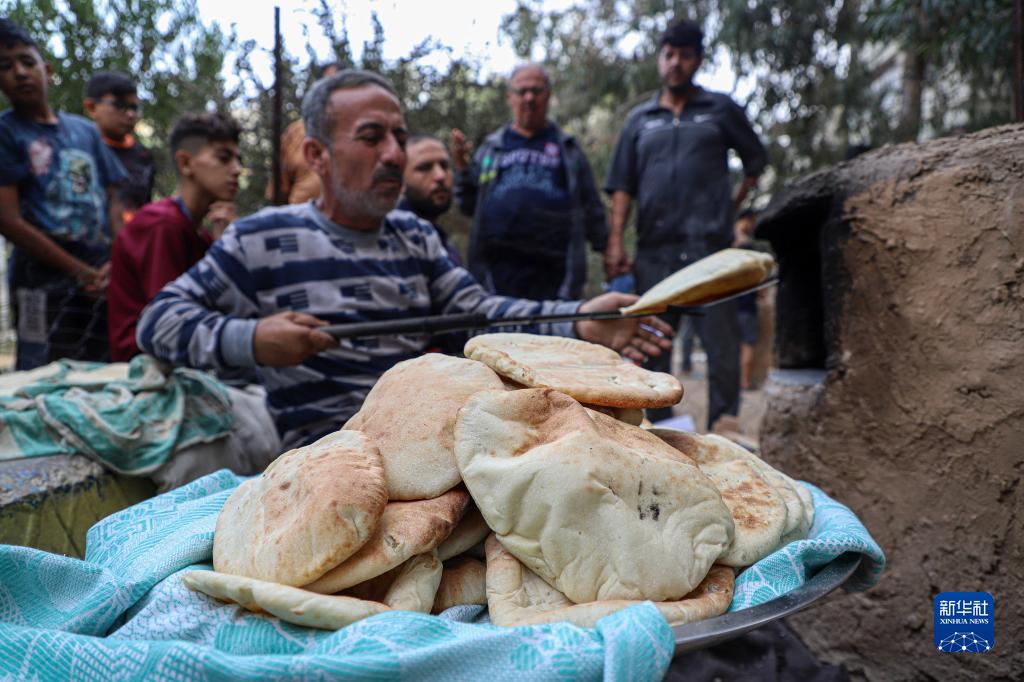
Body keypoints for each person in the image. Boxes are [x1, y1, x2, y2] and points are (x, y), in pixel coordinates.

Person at [136, 69, 672, 449]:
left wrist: (581, 322)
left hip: (433, 439)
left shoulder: (416, 236)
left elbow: (481, 316)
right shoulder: (260, 238)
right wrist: (252, 340)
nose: (394, 152)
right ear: (317, 155)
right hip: (326, 453)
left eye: (398, 135)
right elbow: (157, 322)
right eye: (371, 137)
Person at [604, 18, 768, 428]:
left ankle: (724, 428)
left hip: (709, 252)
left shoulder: (720, 109)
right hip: (654, 250)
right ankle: (660, 428)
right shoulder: (641, 120)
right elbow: (622, 186)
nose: (675, 63)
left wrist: (730, 208)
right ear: (660, 58)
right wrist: (615, 243)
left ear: (698, 59)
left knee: (722, 345)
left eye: (685, 55)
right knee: (653, 343)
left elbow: (756, 163)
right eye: (669, 54)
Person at [0, 19, 127, 370]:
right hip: (40, 280)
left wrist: (116, 259)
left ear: (47, 69)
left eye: (27, 62)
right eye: (5, 67)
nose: (20, 73)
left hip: (101, 271)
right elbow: (9, 220)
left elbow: (114, 196)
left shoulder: (85, 132)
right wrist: (79, 271)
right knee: (41, 371)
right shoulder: (7, 134)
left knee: (102, 367)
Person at [453, 64, 607, 300]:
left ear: (548, 95)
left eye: (536, 91)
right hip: (498, 273)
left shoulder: (568, 149)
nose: (529, 98)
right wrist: (463, 170)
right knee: (501, 335)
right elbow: (468, 205)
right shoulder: (492, 148)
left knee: (551, 335)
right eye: (522, 91)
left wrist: (608, 249)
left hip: (556, 274)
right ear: (509, 97)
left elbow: (591, 206)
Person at [107, 112, 241, 361]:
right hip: (143, 362)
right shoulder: (162, 225)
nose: (237, 170)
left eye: (238, 160)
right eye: (224, 158)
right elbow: (170, 321)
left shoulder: (199, 232)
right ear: (185, 163)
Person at [83, 70, 154, 223]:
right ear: (91, 107)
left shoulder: (144, 156)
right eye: (119, 105)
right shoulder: (80, 150)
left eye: (134, 108)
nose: (130, 114)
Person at [267, 62, 340, 205]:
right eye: (328, 84)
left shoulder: (367, 133)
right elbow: (278, 191)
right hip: (298, 220)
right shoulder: (296, 132)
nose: (333, 92)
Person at [399, 133, 462, 266]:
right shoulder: (392, 244)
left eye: (444, 166)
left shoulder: (444, 246)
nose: (440, 176)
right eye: (424, 168)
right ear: (400, 181)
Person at [733, 209, 759, 390]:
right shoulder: (748, 253)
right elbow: (760, 289)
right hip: (747, 308)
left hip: (729, 307)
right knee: (748, 344)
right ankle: (744, 381)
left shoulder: (729, 248)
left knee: (732, 345)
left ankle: (734, 381)